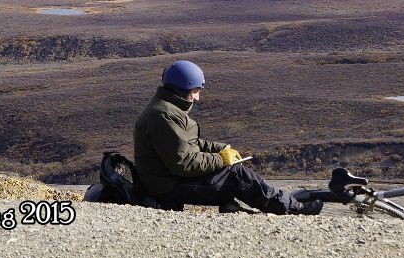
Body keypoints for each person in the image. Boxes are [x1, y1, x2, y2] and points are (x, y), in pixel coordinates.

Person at [133, 60, 323, 215]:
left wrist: (219, 148)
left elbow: (189, 144)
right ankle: (293, 209)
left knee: (232, 172)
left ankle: (236, 204)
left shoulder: (167, 109)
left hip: (169, 179)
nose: (197, 98)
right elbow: (183, 162)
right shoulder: (164, 115)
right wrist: (221, 159)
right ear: (182, 91)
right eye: (195, 92)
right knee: (235, 175)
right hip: (167, 185)